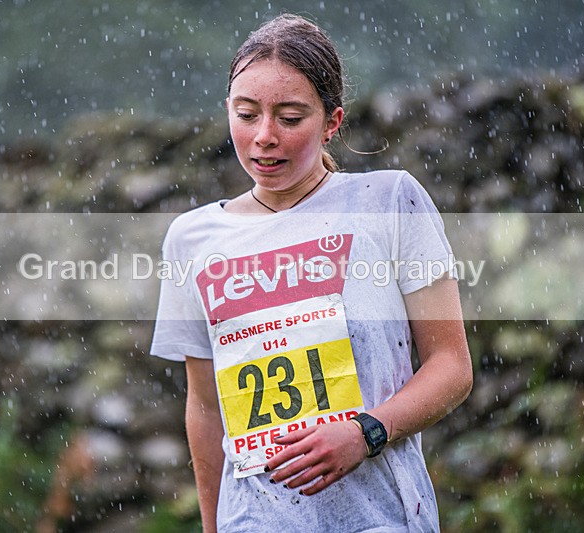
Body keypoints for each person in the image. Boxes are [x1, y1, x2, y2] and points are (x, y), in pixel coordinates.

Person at [150, 13, 472, 533]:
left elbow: (452, 367)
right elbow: (207, 409)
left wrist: (367, 432)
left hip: (380, 518)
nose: (264, 137)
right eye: (246, 113)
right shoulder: (192, 239)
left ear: (332, 121)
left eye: (291, 117)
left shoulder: (387, 201)